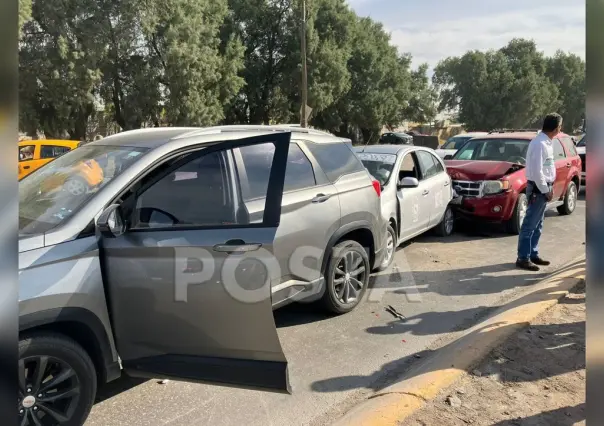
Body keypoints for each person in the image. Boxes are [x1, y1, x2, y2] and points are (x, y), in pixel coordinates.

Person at [516, 113, 562, 271]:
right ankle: (523, 257)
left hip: (544, 187)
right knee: (529, 225)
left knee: (538, 224)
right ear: (556, 128)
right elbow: (536, 171)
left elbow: (547, 167)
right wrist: (545, 189)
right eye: (560, 126)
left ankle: (533, 253)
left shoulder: (547, 142)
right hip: (538, 188)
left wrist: (550, 186)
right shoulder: (539, 144)